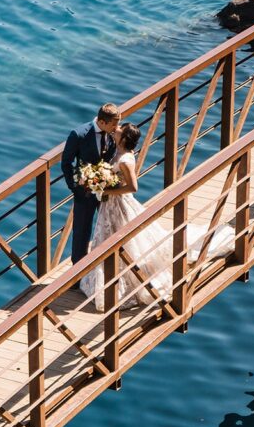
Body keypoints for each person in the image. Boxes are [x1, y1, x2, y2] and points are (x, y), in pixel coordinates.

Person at [80, 122, 235, 310]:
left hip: (119, 203)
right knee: (109, 238)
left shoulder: (126, 160)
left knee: (124, 241)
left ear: (124, 138)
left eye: (120, 129)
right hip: (110, 205)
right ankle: (106, 281)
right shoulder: (117, 151)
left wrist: (108, 191)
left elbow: (133, 187)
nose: (117, 128)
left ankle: (125, 283)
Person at [62, 103, 120, 266]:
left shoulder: (112, 133)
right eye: (114, 124)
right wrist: (75, 187)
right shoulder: (79, 134)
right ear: (102, 122)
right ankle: (77, 274)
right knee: (81, 232)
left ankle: (107, 267)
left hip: (107, 190)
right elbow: (66, 163)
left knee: (109, 227)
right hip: (85, 191)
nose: (117, 127)